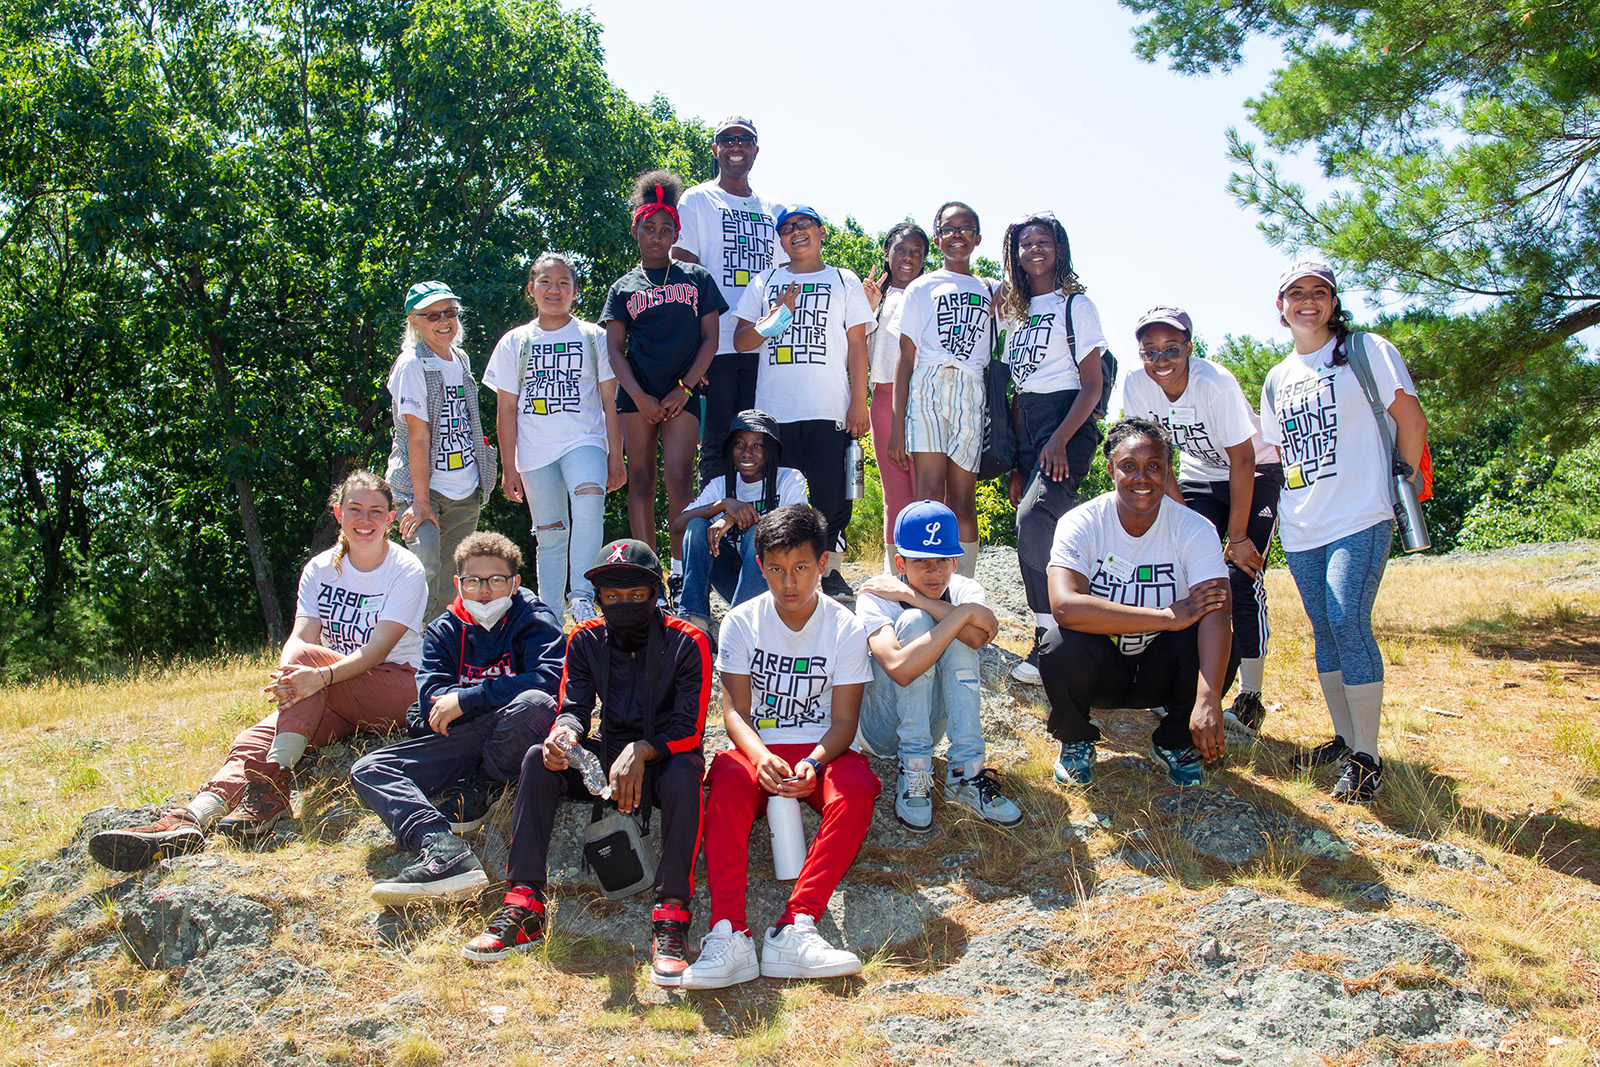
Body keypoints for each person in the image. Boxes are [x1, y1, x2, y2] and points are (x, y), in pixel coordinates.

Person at [89, 471, 427, 871]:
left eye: (376, 511)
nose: (364, 519)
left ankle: (274, 783)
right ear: (338, 513)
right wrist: (291, 681)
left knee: (308, 661)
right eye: (355, 509)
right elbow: (300, 637)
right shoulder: (321, 568)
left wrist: (309, 677)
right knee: (252, 739)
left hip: (395, 686)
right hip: (330, 688)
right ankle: (192, 818)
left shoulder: (406, 569)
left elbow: (375, 652)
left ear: (390, 518)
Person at [461, 539, 711, 986]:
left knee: (684, 774)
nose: (624, 605)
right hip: (609, 751)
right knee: (540, 759)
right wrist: (566, 737)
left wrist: (644, 750)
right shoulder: (585, 637)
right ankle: (523, 905)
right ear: (598, 599)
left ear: (657, 595)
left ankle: (671, 917)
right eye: (612, 597)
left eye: (637, 596)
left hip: (662, 760)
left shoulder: (687, 641)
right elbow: (574, 705)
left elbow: (689, 728)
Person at [678, 505, 878, 989]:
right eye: (775, 569)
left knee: (858, 785)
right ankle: (729, 933)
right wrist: (760, 755)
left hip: (819, 748)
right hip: (758, 749)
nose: (789, 582)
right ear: (760, 564)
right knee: (725, 780)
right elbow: (734, 714)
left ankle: (796, 925)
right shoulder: (742, 622)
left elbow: (845, 720)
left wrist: (812, 762)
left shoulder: (845, 627)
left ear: (823, 563)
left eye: (801, 568)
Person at [1260, 260, 1428, 802]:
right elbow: (1276, 452)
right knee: (1324, 629)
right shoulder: (1277, 378)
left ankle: (1368, 758)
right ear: (1280, 307)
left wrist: (1396, 481)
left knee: (1346, 619)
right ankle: (1344, 737)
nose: (1308, 301)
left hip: (1360, 514)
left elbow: (1412, 421)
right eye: (1296, 294)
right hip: (1303, 523)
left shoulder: (1365, 350)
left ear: (1333, 302)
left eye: (1319, 292)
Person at [349, 532, 567, 905]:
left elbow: (548, 677)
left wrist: (468, 698)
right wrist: (461, 706)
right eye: (473, 581)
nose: (484, 591)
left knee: (534, 704)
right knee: (369, 768)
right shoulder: (443, 630)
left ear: (515, 582)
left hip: (511, 726)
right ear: (458, 583)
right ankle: (442, 847)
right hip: (461, 736)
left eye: (496, 580)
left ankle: (486, 783)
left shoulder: (533, 617)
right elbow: (431, 696)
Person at [1112, 305, 1282, 738]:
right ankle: (1180, 684)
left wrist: (1238, 537)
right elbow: (1155, 459)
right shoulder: (1137, 384)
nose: (1160, 360)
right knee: (1188, 574)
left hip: (1254, 473)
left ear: (1189, 347)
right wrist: (1187, 527)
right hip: (1198, 478)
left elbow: (1243, 460)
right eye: (1149, 351)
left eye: (1171, 348)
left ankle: (1250, 696)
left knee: (1237, 577)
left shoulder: (1215, 383)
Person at [1038, 420, 1231, 789]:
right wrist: (1165, 617)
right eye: (1129, 465)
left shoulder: (1195, 527)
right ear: (1111, 469)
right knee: (1058, 643)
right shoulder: (1081, 522)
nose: (1142, 477)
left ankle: (1174, 742)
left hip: (1161, 670)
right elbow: (1064, 606)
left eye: (1154, 466)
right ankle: (1076, 739)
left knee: (1219, 642)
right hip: (1102, 670)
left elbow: (1218, 609)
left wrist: (1208, 700)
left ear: (1168, 470)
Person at [732, 204, 872, 600]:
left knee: (833, 496)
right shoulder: (765, 281)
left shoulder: (844, 280)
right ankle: (781, 578)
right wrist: (778, 317)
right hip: (776, 414)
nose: (795, 232)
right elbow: (743, 341)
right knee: (780, 500)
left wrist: (858, 401)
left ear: (822, 231)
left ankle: (829, 574)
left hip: (830, 408)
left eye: (803, 224)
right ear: (780, 240)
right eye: (787, 227)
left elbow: (858, 345)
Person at [855, 500, 1021, 832]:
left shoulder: (963, 587)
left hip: (931, 725)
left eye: (944, 560)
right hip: (881, 726)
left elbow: (978, 637)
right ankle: (914, 770)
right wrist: (957, 615)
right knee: (918, 622)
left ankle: (965, 774)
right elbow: (898, 668)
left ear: (956, 560)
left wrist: (919, 599)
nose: (935, 572)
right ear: (900, 562)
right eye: (922, 562)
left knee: (951, 632)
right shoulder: (877, 593)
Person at [601, 170, 727, 595]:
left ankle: (680, 567)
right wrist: (638, 396)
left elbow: (710, 339)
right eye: (649, 228)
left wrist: (685, 388)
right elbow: (615, 349)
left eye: (666, 228)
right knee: (640, 478)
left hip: (683, 393)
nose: (657, 236)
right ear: (636, 229)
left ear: (676, 232)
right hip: (636, 395)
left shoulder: (697, 279)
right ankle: (646, 571)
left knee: (678, 476)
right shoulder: (622, 288)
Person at [994, 213, 1106, 685]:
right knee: (1044, 522)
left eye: (1044, 241)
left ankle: (1051, 636)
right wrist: (1017, 461)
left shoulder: (1076, 305)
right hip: (1028, 425)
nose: (1035, 249)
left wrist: (1059, 439)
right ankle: (1069, 634)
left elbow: (1093, 386)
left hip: (1068, 421)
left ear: (1059, 248)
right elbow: (1017, 388)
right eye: (1025, 243)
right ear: (1014, 254)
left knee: (1035, 517)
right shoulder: (1016, 314)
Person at [483, 252, 625, 623]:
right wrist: (508, 467)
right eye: (545, 281)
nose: (554, 290)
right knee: (549, 533)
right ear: (531, 289)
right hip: (534, 451)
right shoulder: (515, 342)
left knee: (589, 505)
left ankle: (580, 596)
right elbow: (506, 410)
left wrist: (616, 457)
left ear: (576, 291)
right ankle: (547, 610)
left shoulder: (594, 337)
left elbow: (611, 402)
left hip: (585, 441)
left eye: (564, 282)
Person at [671, 115, 784, 489]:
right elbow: (684, 268)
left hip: (764, 345)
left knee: (763, 441)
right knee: (720, 441)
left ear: (755, 150)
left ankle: (763, 530)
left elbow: (786, 276)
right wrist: (693, 348)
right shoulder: (698, 199)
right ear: (716, 148)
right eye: (728, 140)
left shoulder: (773, 208)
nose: (736, 146)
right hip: (716, 344)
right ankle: (713, 526)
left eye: (745, 140)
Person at [891, 202, 995, 579]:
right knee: (930, 492)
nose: (957, 235)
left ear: (978, 238)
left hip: (970, 389)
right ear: (937, 238)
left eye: (966, 228)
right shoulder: (921, 287)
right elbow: (906, 356)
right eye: (949, 229)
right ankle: (923, 581)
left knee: (963, 499)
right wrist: (897, 424)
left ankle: (963, 587)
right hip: (929, 386)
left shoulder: (990, 289)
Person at [384, 281, 497, 621]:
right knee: (424, 562)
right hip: (422, 489)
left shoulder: (459, 358)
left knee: (452, 579)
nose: (444, 321)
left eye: (450, 312)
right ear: (414, 321)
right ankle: (398, 640)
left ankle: (432, 653)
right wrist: (420, 502)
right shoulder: (411, 364)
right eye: (433, 315)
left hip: (464, 488)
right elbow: (417, 437)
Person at [670, 409, 809, 636]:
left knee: (758, 533)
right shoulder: (720, 485)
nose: (747, 453)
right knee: (696, 526)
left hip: (774, 581)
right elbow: (679, 525)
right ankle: (695, 621)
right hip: (731, 577)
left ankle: (740, 624)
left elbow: (797, 528)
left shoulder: (789, 478)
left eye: (758, 445)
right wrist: (724, 504)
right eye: (739, 444)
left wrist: (732, 517)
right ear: (730, 449)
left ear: (771, 449)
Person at [861, 222, 929, 572]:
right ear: (887, 252)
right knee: (896, 493)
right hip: (885, 396)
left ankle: (930, 568)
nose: (908, 257)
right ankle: (896, 571)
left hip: (926, 400)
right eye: (901, 249)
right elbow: (853, 354)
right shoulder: (874, 297)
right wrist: (867, 306)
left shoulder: (931, 293)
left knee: (927, 490)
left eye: (917, 252)